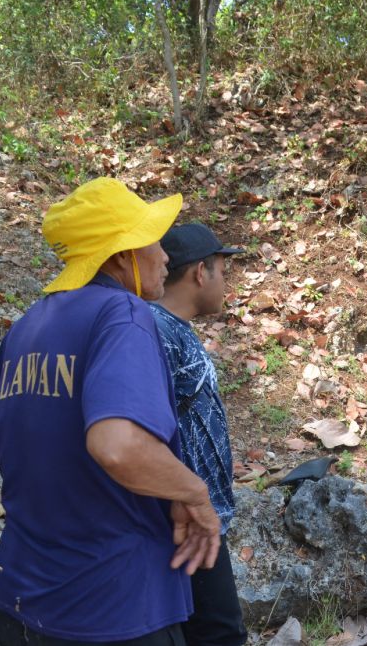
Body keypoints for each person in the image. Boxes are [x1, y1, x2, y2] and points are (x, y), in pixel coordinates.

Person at [0, 177, 221, 645]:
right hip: (110, 606)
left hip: (21, 598)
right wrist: (195, 495)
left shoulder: (30, 323)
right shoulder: (121, 314)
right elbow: (117, 446)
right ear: (122, 257)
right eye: (153, 242)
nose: (165, 257)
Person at [150, 223, 249, 646]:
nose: (225, 283)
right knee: (220, 634)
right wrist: (184, 496)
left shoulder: (167, 329)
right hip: (184, 518)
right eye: (222, 271)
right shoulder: (157, 331)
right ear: (199, 273)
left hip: (190, 511)